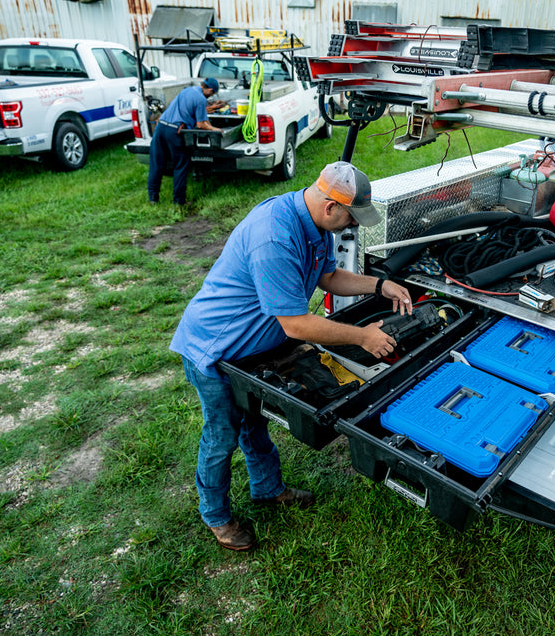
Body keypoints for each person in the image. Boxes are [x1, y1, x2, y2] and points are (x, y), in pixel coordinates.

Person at [170, 161, 414, 552]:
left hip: (251, 350)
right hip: (216, 348)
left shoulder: (314, 225)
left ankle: (267, 488)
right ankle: (215, 514)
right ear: (331, 206)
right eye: (352, 217)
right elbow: (296, 326)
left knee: (254, 423)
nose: (353, 226)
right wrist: (362, 337)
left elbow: (328, 277)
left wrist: (379, 285)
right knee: (222, 436)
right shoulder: (275, 237)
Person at [147, 77, 224, 205]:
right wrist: (217, 130)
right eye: (212, 93)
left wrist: (188, 121)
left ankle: (153, 199)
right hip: (174, 132)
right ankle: (179, 201)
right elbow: (201, 125)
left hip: (161, 128)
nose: (211, 97)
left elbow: (184, 110)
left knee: (156, 164)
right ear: (209, 90)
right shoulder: (201, 99)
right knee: (180, 166)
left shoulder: (187, 90)